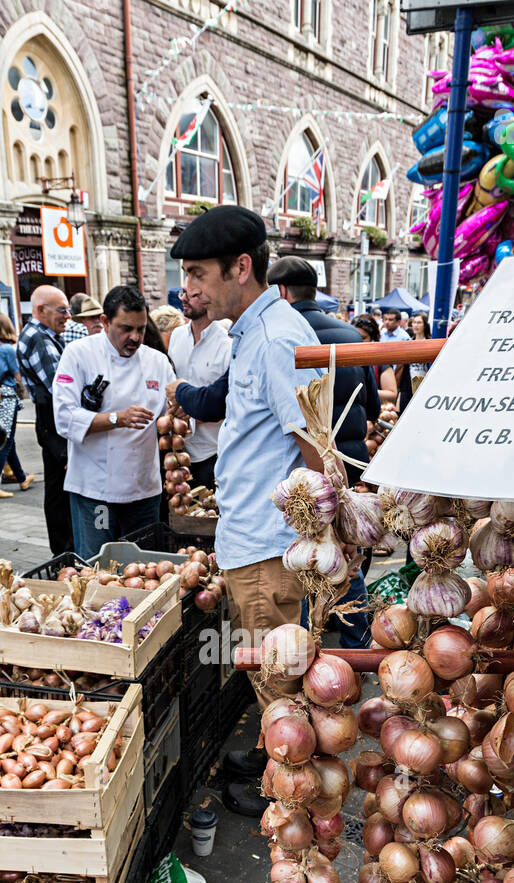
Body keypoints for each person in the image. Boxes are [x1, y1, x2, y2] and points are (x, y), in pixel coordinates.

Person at [169, 205, 323, 818]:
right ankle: (270, 762)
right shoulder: (255, 332)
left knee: (281, 684)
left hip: (269, 547)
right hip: (251, 542)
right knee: (267, 676)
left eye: (199, 273)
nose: (190, 289)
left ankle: (291, 796)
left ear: (241, 267)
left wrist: (323, 540)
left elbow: (314, 448)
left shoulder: (275, 338)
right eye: (185, 274)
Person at [267, 255, 379, 649]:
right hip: (350, 457)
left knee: (314, 556)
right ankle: (358, 638)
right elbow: (375, 408)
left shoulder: (283, 337)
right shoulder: (352, 335)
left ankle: (307, 639)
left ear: (280, 291)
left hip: (308, 471)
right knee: (346, 559)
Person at [52, 284, 170, 560]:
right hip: (96, 488)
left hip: (144, 487)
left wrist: (179, 414)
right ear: (104, 322)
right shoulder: (78, 354)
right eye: (126, 328)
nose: (135, 337)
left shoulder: (158, 362)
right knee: (96, 567)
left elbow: (170, 416)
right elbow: (64, 418)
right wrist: (117, 418)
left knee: (145, 568)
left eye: (140, 329)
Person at [17, 284, 73, 555]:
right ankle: (64, 553)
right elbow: (61, 389)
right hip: (52, 425)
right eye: (62, 310)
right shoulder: (39, 338)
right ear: (40, 310)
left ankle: (63, 551)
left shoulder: (42, 334)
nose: (68, 316)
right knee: (59, 492)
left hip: (49, 424)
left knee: (58, 490)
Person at [167, 289, 231, 490]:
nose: (184, 299)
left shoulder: (226, 344)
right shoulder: (177, 336)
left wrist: (191, 414)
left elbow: (228, 403)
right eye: (183, 293)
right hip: (178, 453)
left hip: (214, 452)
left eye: (193, 295)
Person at [0, 312, 34, 497]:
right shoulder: (6, 349)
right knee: (5, 440)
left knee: (8, 439)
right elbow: (17, 374)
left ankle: (21, 478)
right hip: (6, 396)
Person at [353, 315, 399, 404]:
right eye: (354, 336)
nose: (358, 341)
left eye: (363, 338)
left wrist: (363, 392)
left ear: (372, 338)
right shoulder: (345, 357)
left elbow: (392, 394)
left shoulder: (380, 360)